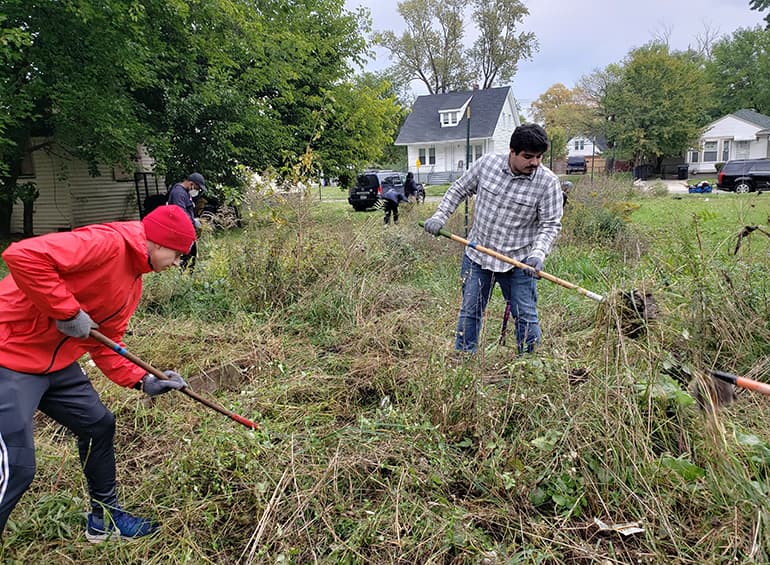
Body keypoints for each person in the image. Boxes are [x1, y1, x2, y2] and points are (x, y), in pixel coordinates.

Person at [0, 205, 196, 542]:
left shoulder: (133, 282)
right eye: (178, 255)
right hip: (9, 353)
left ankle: (104, 519)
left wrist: (146, 380)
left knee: (98, 425)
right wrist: (66, 309)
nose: (177, 263)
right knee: (16, 466)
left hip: (56, 362)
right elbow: (22, 255)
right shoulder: (106, 244)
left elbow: (106, 343)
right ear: (160, 244)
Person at [423, 124, 563, 354]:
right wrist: (439, 216)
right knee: (470, 311)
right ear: (512, 151)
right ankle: (464, 359)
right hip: (478, 255)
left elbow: (549, 224)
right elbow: (458, 189)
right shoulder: (487, 164)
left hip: (520, 262)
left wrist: (537, 254)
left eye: (539, 157)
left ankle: (529, 363)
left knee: (526, 315)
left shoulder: (548, 183)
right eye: (528, 157)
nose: (535, 163)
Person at [167, 172, 205, 269]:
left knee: (192, 256)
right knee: (185, 259)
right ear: (191, 184)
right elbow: (181, 214)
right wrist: (192, 222)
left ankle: (188, 277)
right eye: (197, 188)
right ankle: (184, 279)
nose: (197, 191)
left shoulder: (184, 192)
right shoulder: (178, 193)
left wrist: (194, 220)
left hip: (187, 231)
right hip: (181, 232)